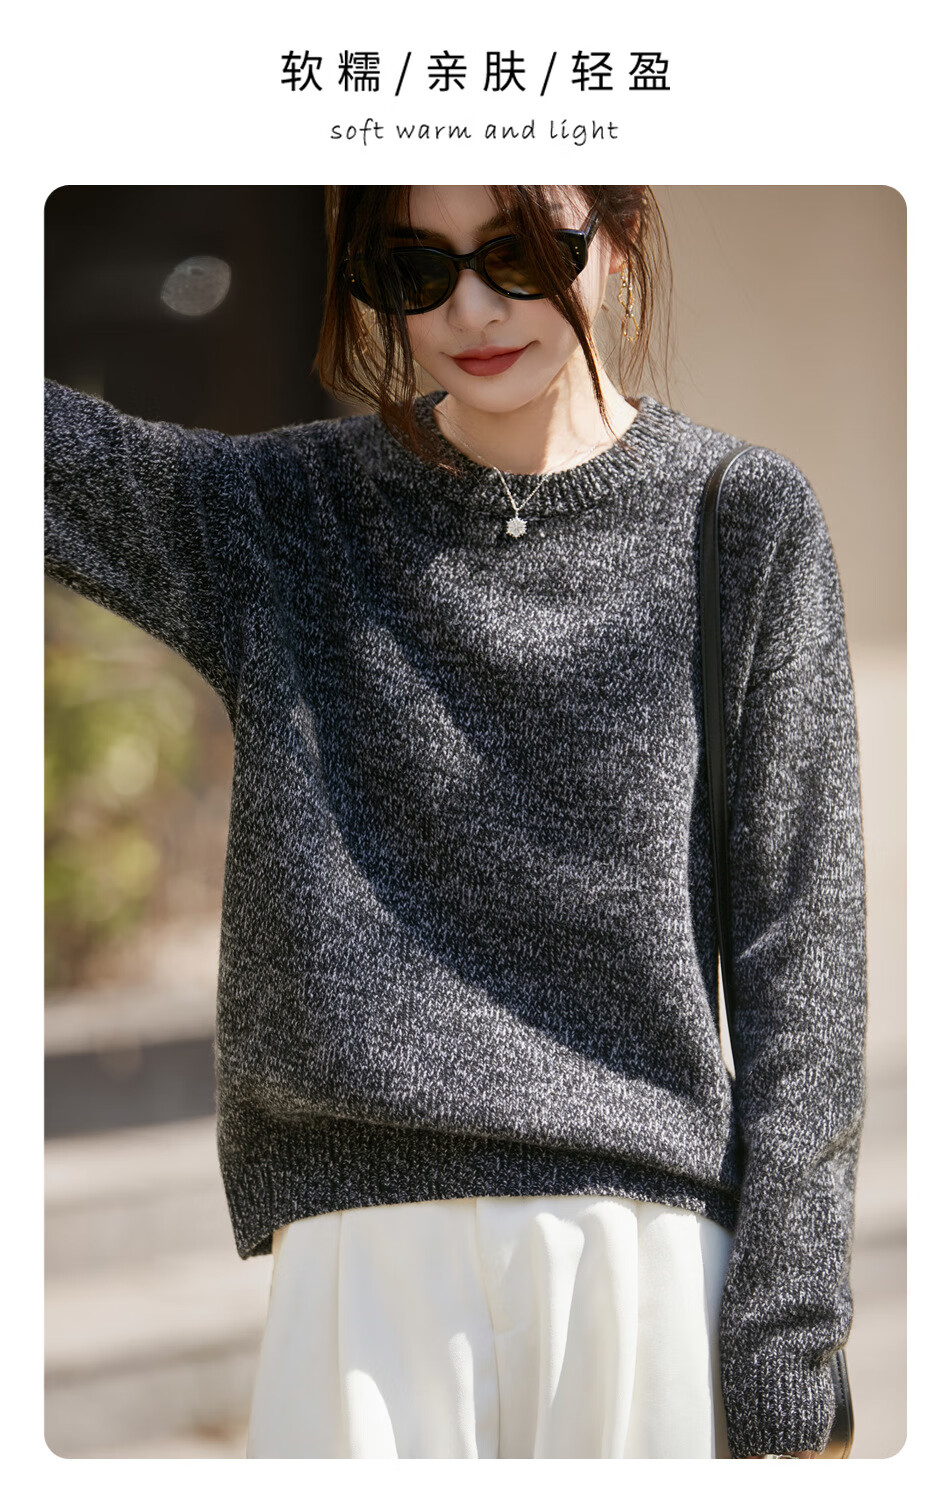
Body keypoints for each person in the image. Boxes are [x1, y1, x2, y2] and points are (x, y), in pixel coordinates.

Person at [44, 184, 867, 1460]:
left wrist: (786, 1330)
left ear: (619, 242)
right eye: (411, 269)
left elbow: (799, 945)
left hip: (639, 1252)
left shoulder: (737, 515)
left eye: (519, 254)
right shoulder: (287, 516)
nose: (470, 309)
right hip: (360, 1266)